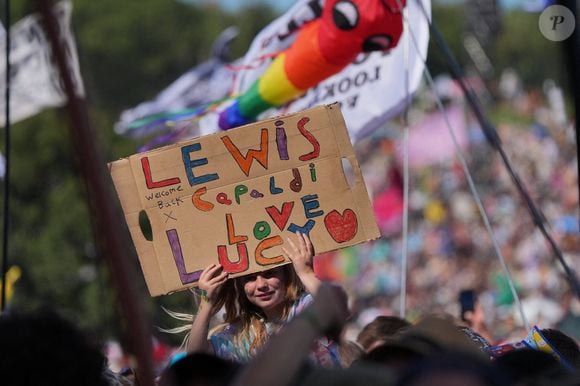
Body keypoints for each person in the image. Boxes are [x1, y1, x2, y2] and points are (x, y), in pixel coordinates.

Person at [186, 231, 342, 367]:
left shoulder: (307, 307)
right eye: (251, 278)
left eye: (269, 274)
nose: (261, 285)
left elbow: (337, 308)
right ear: (241, 287)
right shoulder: (243, 335)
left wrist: (306, 273)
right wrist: (206, 301)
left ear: (286, 276)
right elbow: (196, 355)